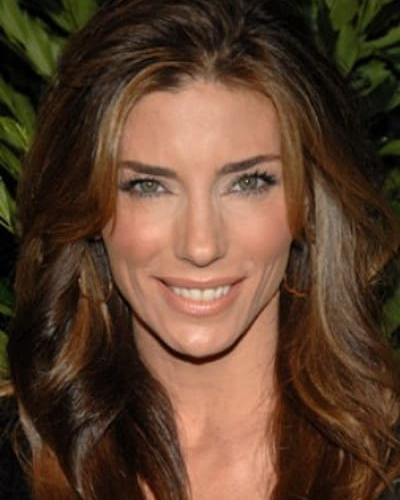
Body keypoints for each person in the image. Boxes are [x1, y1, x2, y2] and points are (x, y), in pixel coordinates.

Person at [3, 0, 400, 499]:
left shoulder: (385, 463)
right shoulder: (17, 457)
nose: (201, 245)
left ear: (309, 203)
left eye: (248, 182)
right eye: (148, 186)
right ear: (89, 209)